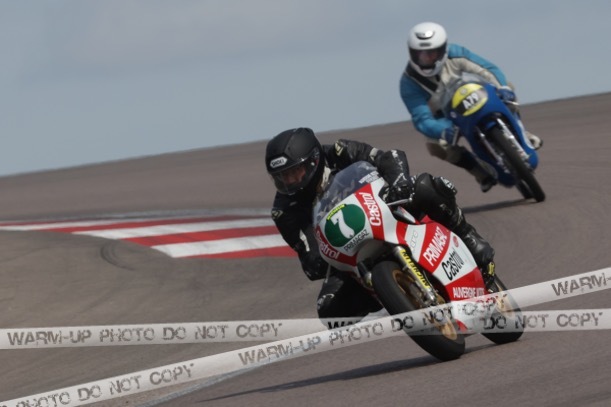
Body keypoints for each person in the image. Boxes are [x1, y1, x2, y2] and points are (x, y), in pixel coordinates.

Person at [265, 127, 496, 323]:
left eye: (294, 172)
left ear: (313, 161)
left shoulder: (339, 151)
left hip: (383, 207)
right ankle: (392, 296)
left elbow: (387, 157)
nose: (289, 181)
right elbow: (309, 258)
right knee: (329, 310)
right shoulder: (284, 210)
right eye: (282, 176)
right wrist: (318, 257)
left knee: (424, 185)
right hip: (346, 249)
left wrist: (398, 182)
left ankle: (468, 236)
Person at [400, 21, 542, 192]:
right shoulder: (408, 84)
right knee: (435, 146)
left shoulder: (455, 53)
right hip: (446, 118)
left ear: (443, 49)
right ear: (411, 52)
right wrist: (442, 131)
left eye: (432, 53)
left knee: (507, 87)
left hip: (473, 93)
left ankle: (522, 133)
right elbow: (422, 119)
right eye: (420, 54)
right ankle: (480, 172)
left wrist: (503, 88)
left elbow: (487, 69)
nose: (427, 58)